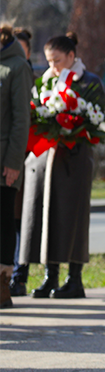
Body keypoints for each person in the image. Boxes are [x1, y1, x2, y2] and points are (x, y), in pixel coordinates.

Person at [20, 33, 104, 300]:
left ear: (71, 56)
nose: (52, 67)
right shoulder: (46, 82)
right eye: (48, 61)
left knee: (73, 218)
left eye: (57, 61)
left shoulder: (89, 82)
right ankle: (50, 277)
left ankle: (74, 279)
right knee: (45, 218)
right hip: (45, 161)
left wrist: (72, 124)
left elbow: (96, 120)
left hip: (74, 161)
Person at [0, 25, 35, 309]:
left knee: (3, 222)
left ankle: (3, 284)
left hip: (4, 163)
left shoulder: (17, 67)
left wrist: (13, 163)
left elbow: (21, 120)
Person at [9, 27, 33, 298]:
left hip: (23, 158)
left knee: (18, 222)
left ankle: (19, 275)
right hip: (16, 156)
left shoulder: (27, 75)